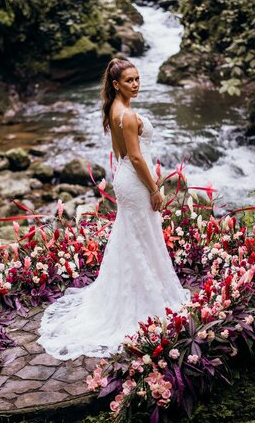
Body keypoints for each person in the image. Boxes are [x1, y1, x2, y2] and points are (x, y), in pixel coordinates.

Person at [37, 58, 191, 360]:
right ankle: (144, 299)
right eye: (129, 80)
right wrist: (155, 188)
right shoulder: (128, 115)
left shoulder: (113, 109)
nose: (135, 84)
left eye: (137, 78)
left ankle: (135, 290)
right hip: (134, 180)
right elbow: (135, 158)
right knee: (143, 236)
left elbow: (122, 154)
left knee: (134, 237)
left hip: (124, 178)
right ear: (116, 84)